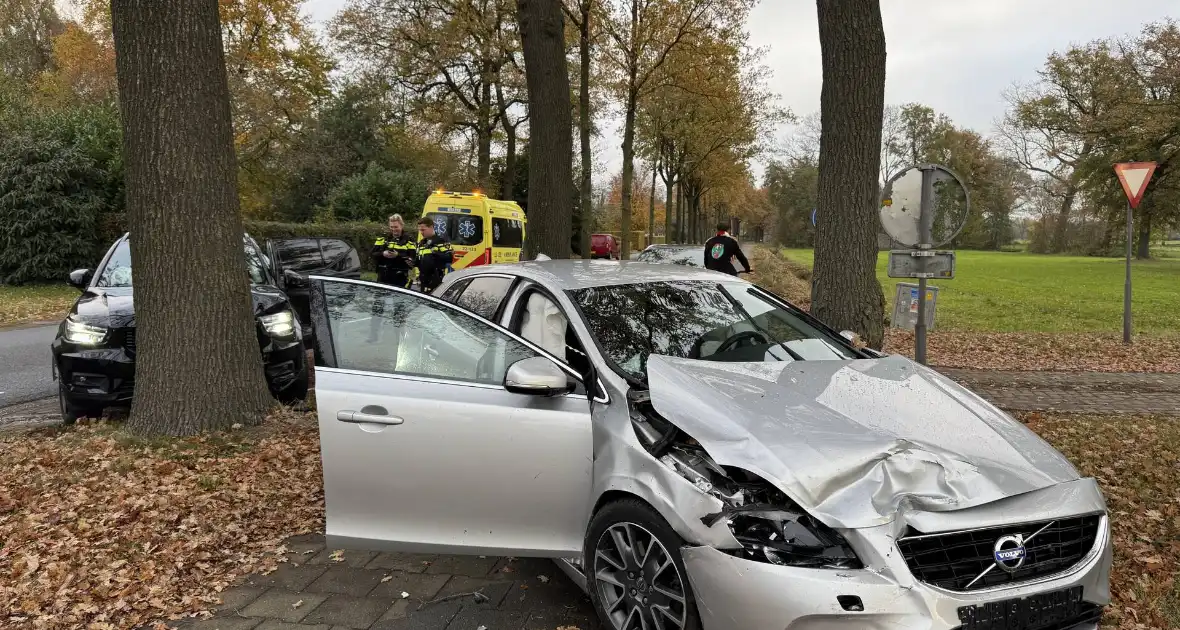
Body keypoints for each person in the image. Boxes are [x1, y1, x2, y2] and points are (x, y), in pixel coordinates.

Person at [371, 214, 417, 289]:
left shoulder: (409, 240)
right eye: (391, 227)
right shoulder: (383, 238)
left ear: (402, 226)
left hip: (400, 278)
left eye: (396, 227)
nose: (393, 229)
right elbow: (372, 254)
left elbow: (413, 259)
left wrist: (397, 255)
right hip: (382, 277)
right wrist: (383, 253)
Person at [416, 216, 453, 294]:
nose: (421, 232)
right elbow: (419, 261)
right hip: (423, 281)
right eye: (420, 230)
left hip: (437, 281)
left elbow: (449, 258)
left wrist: (435, 253)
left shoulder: (441, 241)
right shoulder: (421, 243)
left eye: (423, 230)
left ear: (431, 227)